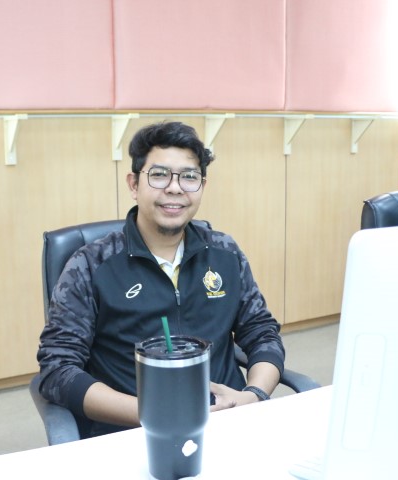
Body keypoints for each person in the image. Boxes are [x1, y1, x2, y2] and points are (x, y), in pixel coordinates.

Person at [36, 121, 285, 438]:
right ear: (134, 184)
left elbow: (262, 332)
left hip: (227, 425)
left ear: (202, 186)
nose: (175, 188)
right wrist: (151, 415)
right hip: (132, 433)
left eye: (189, 177)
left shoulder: (225, 252)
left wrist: (252, 396)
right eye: (159, 175)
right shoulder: (91, 265)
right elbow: (58, 369)